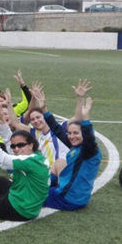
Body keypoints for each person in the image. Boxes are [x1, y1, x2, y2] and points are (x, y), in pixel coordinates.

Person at [43, 80, 101, 210]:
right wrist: (44, 109)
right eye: (70, 133)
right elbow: (57, 129)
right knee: (59, 162)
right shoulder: (78, 147)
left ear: (84, 133)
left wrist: (86, 118)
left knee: (29, 193)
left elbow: (90, 138)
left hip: (68, 199)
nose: (71, 136)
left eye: (76, 133)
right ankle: (48, 185)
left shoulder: (90, 150)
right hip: (76, 196)